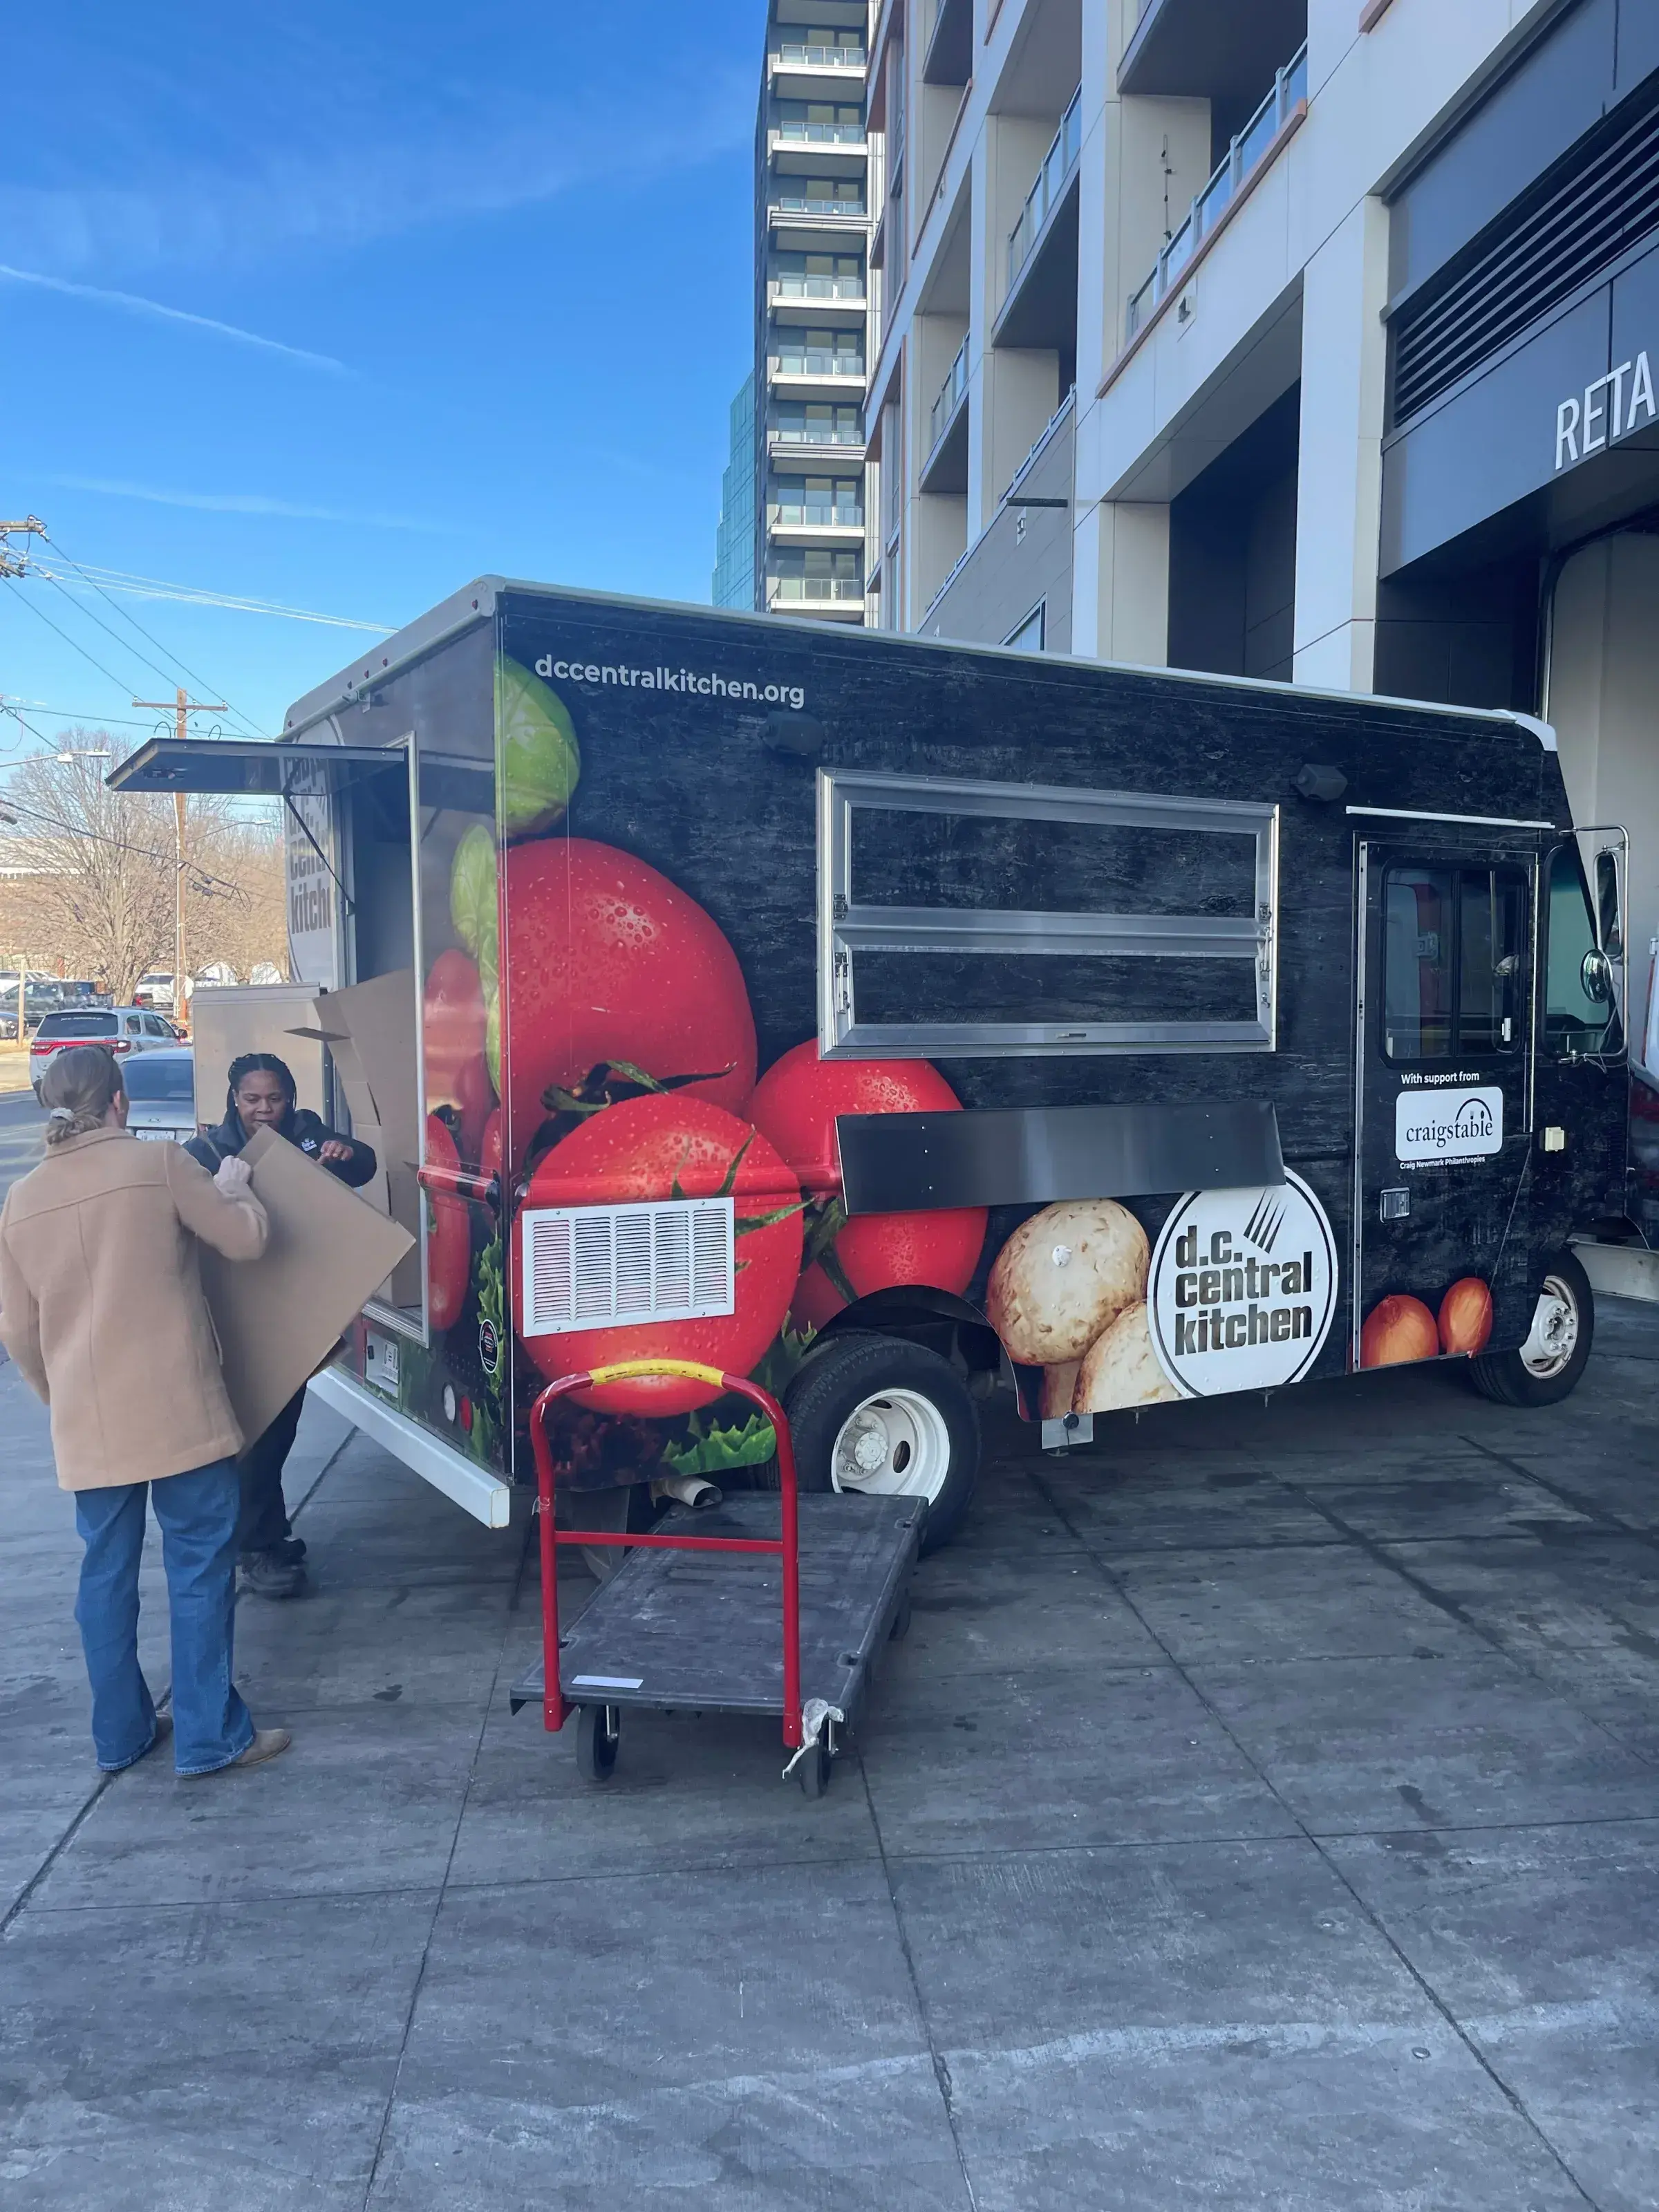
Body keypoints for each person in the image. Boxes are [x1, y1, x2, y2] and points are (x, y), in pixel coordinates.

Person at [0, 1045, 289, 1776]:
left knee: (104, 1575)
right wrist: (236, 1186)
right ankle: (209, 1735)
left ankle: (121, 1735)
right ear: (120, 1101)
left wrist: (57, 1393)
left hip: (89, 1424)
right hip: (179, 1412)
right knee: (198, 1567)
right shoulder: (156, 1166)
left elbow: (17, 1330)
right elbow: (247, 1240)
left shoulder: (22, 1199)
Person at [187, 1053, 377, 1600]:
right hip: (237, 1319)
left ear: (290, 1099)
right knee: (256, 1441)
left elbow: (362, 1163)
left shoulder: (307, 1134)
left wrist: (346, 1154)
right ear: (234, 1099)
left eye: (275, 1099)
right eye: (253, 1100)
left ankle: (268, 1533)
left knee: (279, 1431)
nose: (264, 1110)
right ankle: (255, 1548)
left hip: (296, 1313)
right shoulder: (207, 1151)